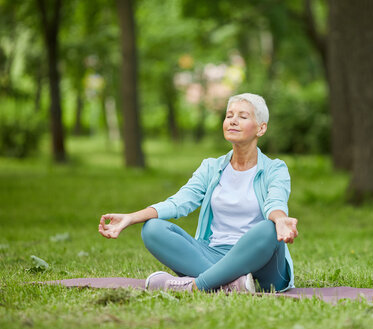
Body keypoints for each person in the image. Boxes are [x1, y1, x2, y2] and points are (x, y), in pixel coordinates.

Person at [98, 93, 298, 293]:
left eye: (242, 117)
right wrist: (131, 218)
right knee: (152, 229)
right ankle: (231, 284)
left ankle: (196, 285)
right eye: (229, 116)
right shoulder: (211, 167)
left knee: (269, 229)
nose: (233, 121)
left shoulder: (275, 169)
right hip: (212, 254)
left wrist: (280, 220)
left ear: (261, 128)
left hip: (262, 263)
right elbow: (179, 202)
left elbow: (275, 201)